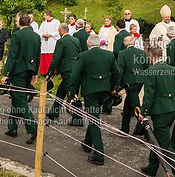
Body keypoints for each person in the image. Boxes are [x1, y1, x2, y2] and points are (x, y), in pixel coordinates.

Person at [69, 34, 120, 166]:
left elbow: (75, 76)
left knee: (93, 120)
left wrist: (72, 93)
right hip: (104, 91)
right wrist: (113, 87)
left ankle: (99, 154)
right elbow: (117, 73)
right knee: (94, 116)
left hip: (90, 91)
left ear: (88, 44)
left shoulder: (84, 56)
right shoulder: (109, 55)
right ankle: (87, 142)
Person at [140, 45, 175, 177]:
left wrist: (144, 113)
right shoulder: (173, 70)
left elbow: (149, 95)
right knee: (158, 140)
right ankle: (151, 168)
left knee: (165, 146)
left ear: (151, 57)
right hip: (171, 110)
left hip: (159, 113)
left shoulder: (150, 71)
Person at [1, 14, 41, 143]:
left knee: (20, 99)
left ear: (20, 22)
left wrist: (6, 73)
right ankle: (12, 128)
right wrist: (35, 72)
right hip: (29, 70)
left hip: (18, 71)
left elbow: (12, 55)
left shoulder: (17, 35)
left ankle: (33, 128)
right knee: (17, 98)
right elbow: (38, 55)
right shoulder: (36, 36)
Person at [46, 23, 82, 125]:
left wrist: (50, 72)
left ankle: (77, 118)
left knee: (72, 94)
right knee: (61, 92)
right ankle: (54, 112)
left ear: (61, 30)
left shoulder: (61, 41)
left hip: (67, 70)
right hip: (75, 69)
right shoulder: (76, 40)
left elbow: (56, 58)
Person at [117, 35, 149, 133]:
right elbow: (147, 66)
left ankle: (146, 130)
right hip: (140, 80)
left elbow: (120, 70)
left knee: (136, 106)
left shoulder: (122, 53)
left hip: (129, 82)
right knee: (128, 104)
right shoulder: (142, 52)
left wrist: (117, 85)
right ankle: (124, 128)